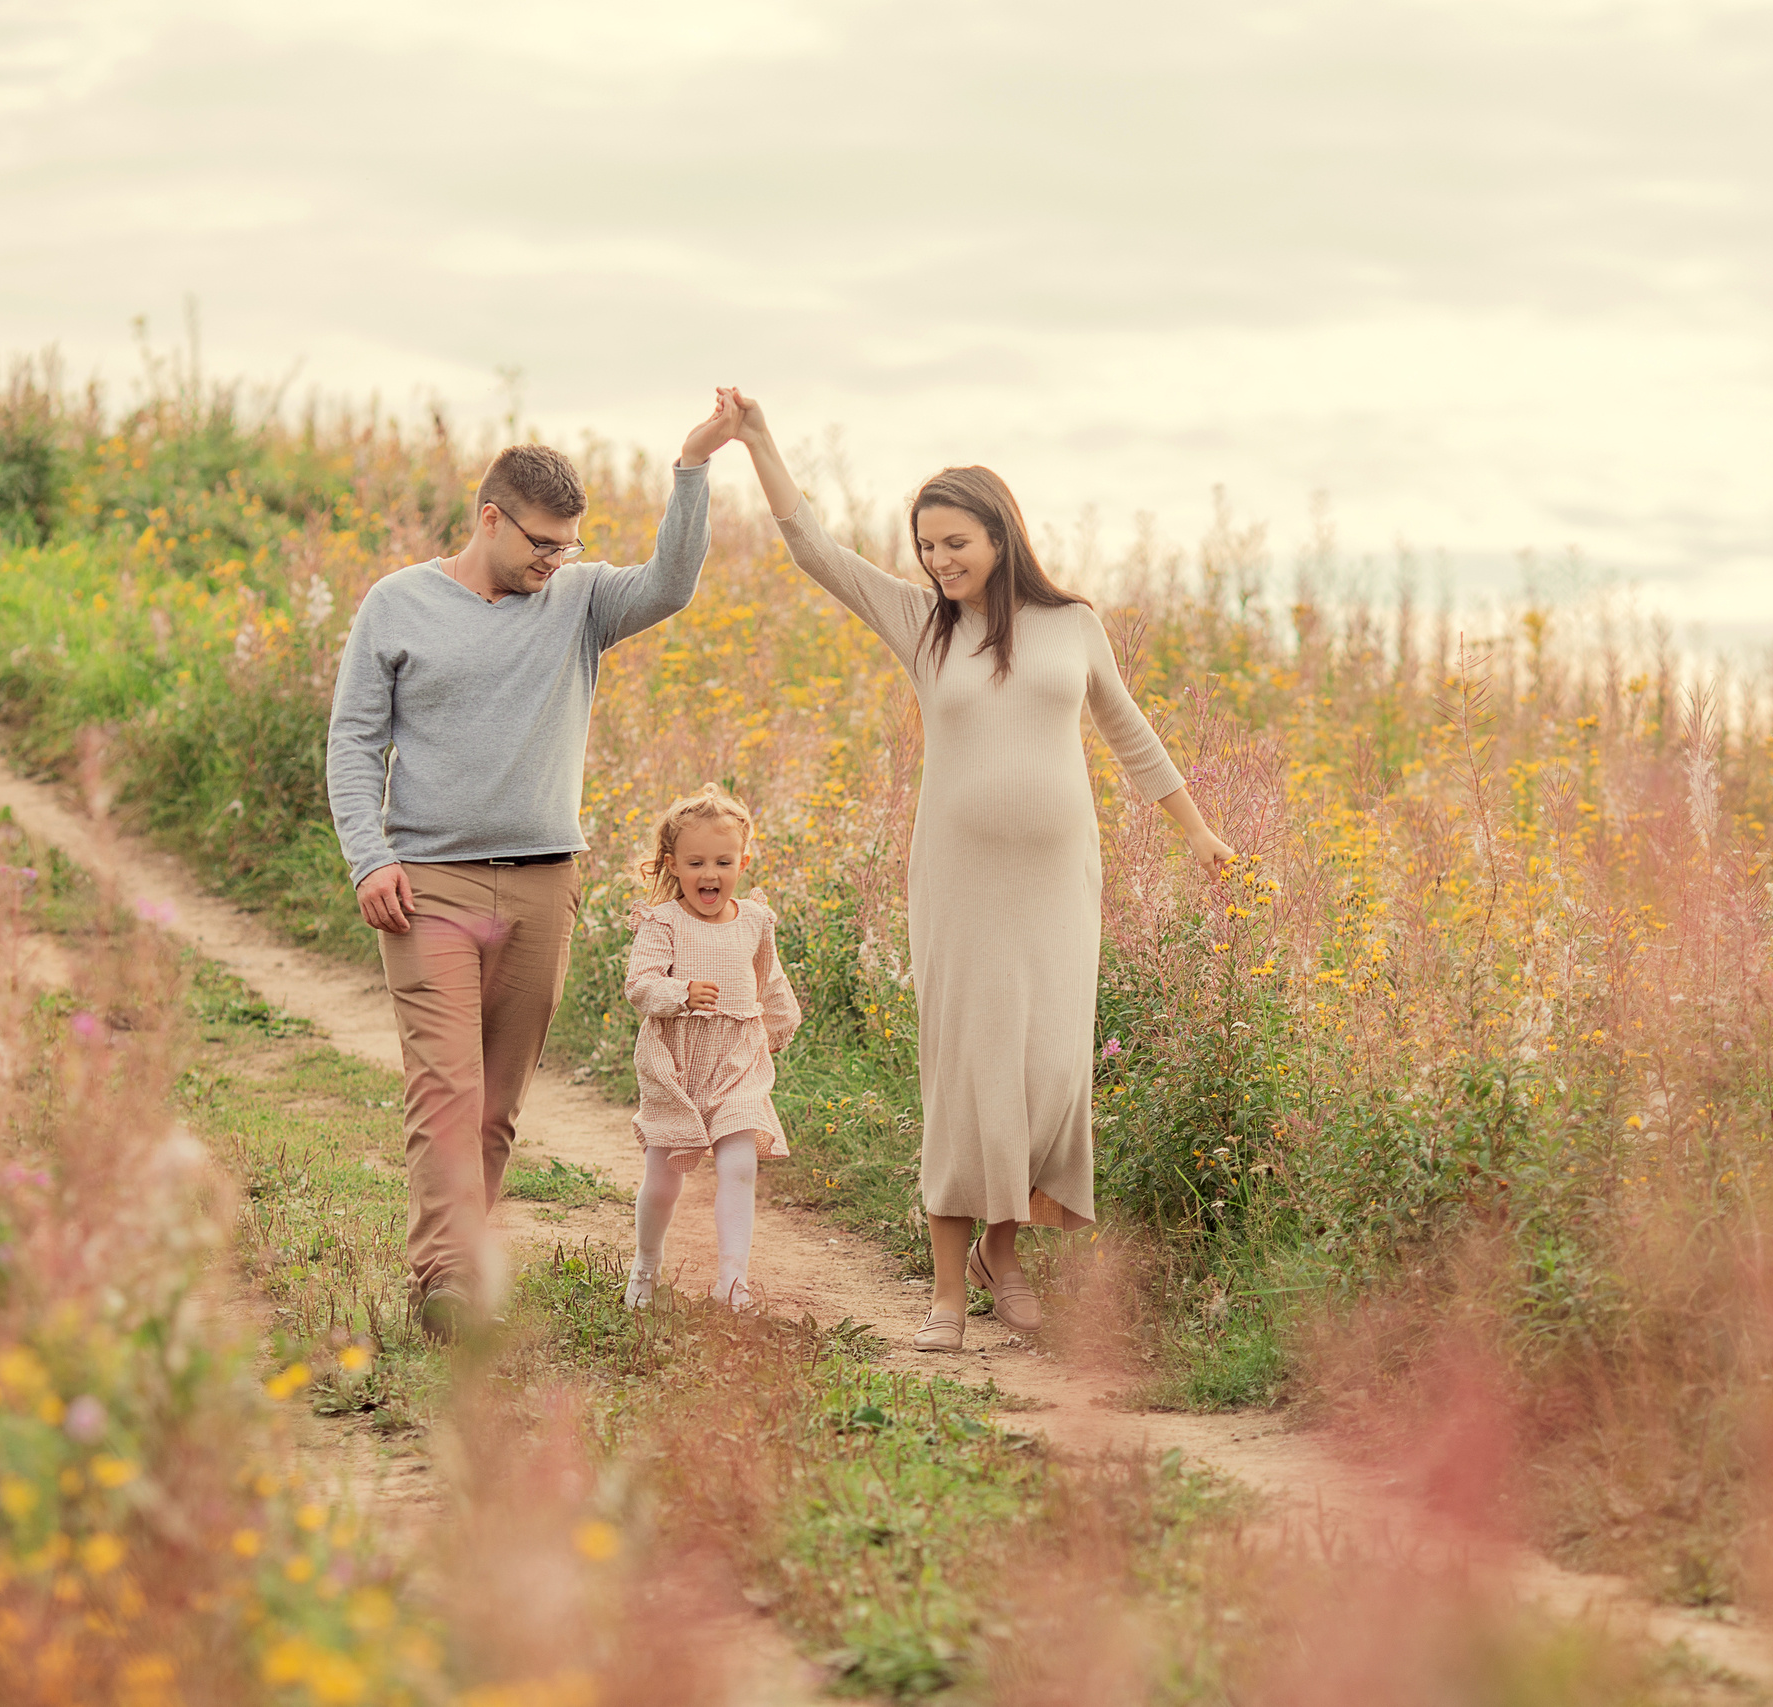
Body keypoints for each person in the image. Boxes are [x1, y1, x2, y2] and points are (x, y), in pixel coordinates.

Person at [723, 389, 1235, 1352]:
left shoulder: (1073, 623)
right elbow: (814, 551)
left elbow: (1129, 732)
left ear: (1001, 533)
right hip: (958, 883)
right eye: (925, 546)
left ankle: (1009, 1252)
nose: (937, 560)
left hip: (1056, 888)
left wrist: (1197, 833)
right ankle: (949, 1294)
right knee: (966, 1076)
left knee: (1043, 1075)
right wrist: (757, 439)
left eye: (954, 542)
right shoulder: (924, 625)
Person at [325, 394, 743, 1343]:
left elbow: (673, 583)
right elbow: (353, 744)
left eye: (567, 544)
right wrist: (369, 858)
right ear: (490, 517)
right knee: (445, 1088)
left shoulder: (581, 601)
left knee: (497, 1107)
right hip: (427, 884)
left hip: (545, 882)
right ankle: (447, 1281)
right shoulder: (396, 604)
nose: (554, 559)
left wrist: (692, 466)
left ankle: (459, 1261)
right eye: (542, 543)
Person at [621, 785, 802, 1311]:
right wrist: (679, 994)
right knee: (664, 1177)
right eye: (696, 862)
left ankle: (731, 1281)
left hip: (738, 1063)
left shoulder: (755, 921)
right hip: (675, 1066)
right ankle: (646, 1264)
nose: (710, 874)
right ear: (672, 865)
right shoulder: (662, 923)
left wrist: (776, 1027)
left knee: (741, 1164)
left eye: (723, 862)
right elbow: (640, 985)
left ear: (743, 861)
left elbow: (769, 981)